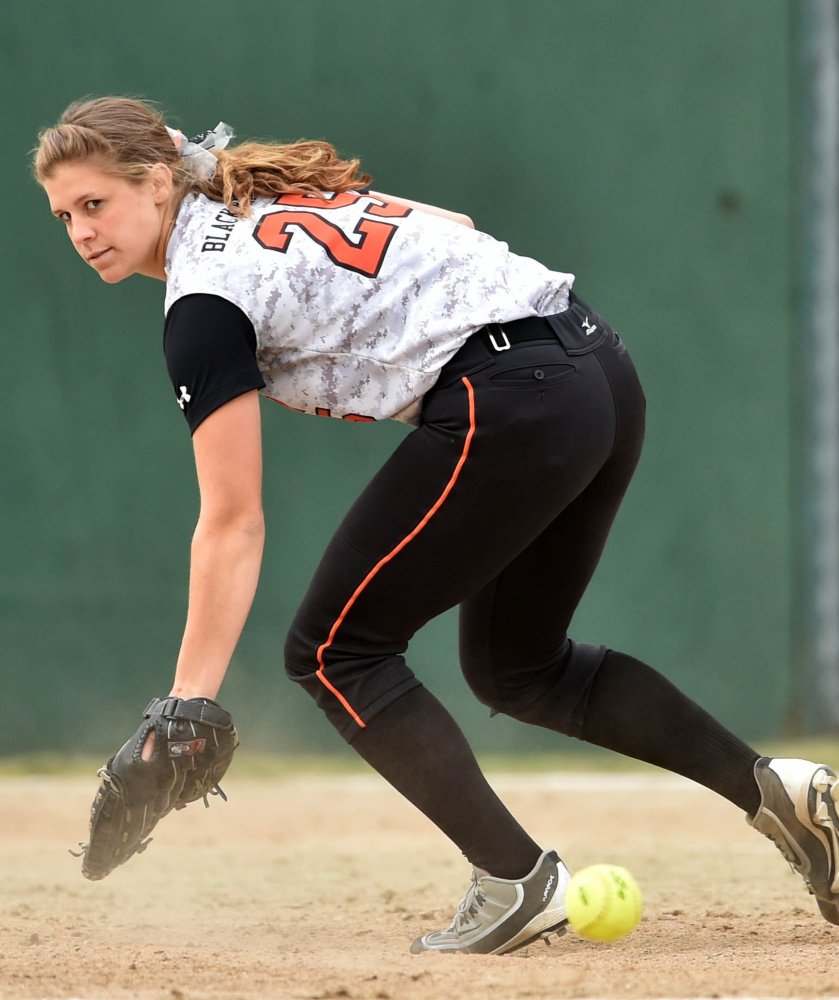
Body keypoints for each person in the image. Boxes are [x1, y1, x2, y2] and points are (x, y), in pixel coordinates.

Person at [34, 96, 839, 954]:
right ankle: (779, 792)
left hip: (513, 399)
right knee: (517, 666)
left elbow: (232, 520)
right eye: (63, 215)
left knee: (333, 651)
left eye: (96, 203)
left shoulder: (201, 302)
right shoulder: (262, 201)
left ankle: (515, 880)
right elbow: (447, 222)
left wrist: (188, 700)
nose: (81, 230)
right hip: (595, 366)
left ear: (158, 182)